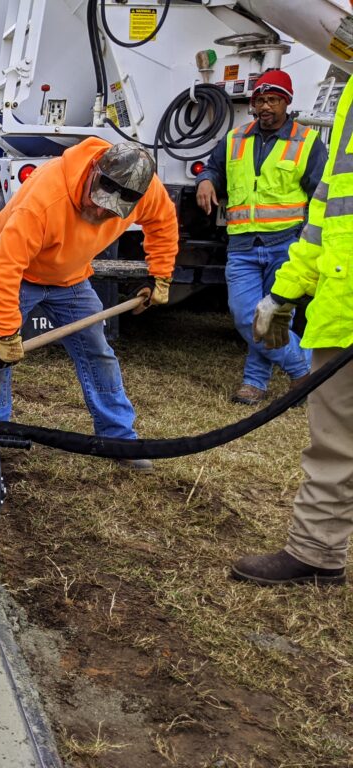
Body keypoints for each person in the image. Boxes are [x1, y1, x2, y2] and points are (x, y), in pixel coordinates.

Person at [0, 138, 178, 472]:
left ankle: (118, 439)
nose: (99, 211)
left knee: (98, 352)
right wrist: (8, 333)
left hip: (71, 280)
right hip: (16, 275)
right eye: (97, 201)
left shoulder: (145, 192)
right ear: (94, 173)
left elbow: (163, 222)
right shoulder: (44, 199)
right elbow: (2, 268)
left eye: (110, 211)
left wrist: (161, 275)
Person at [230, 76, 353, 587]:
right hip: (339, 308)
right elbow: (327, 216)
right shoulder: (351, 95)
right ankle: (317, 551)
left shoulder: (307, 140)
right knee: (334, 442)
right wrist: (283, 294)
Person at [195, 69, 325, 405]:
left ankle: (254, 383)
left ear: (287, 102)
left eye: (273, 100)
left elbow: (321, 195)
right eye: (260, 100)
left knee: (274, 316)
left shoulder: (307, 142)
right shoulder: (235, 138)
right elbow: (214, 168)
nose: (265, 107)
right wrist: (206, 181)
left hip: (286, 244)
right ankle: (305, 369)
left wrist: (309, 241)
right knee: (244, 314)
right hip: (242, 245)